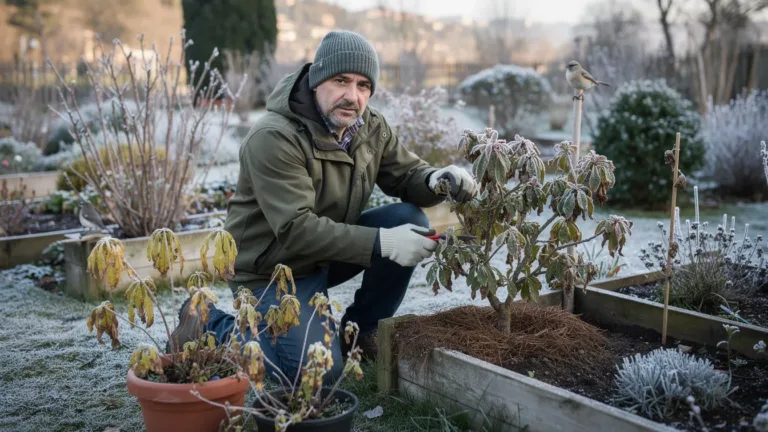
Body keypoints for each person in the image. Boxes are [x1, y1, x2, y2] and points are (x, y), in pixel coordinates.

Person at [168, 30, 477, 383]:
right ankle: (207, 321)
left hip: (326, 254)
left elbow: (407, 175)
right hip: (272, 270)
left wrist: (437, 179)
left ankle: (360, 333)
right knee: (316, 375)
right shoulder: (274, 137)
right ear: (317, 80)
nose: (353, 96)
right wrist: (385, 243)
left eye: (363, 85)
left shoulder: (369, 127)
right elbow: (296, 229)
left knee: (408, 217)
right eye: (341, 80)